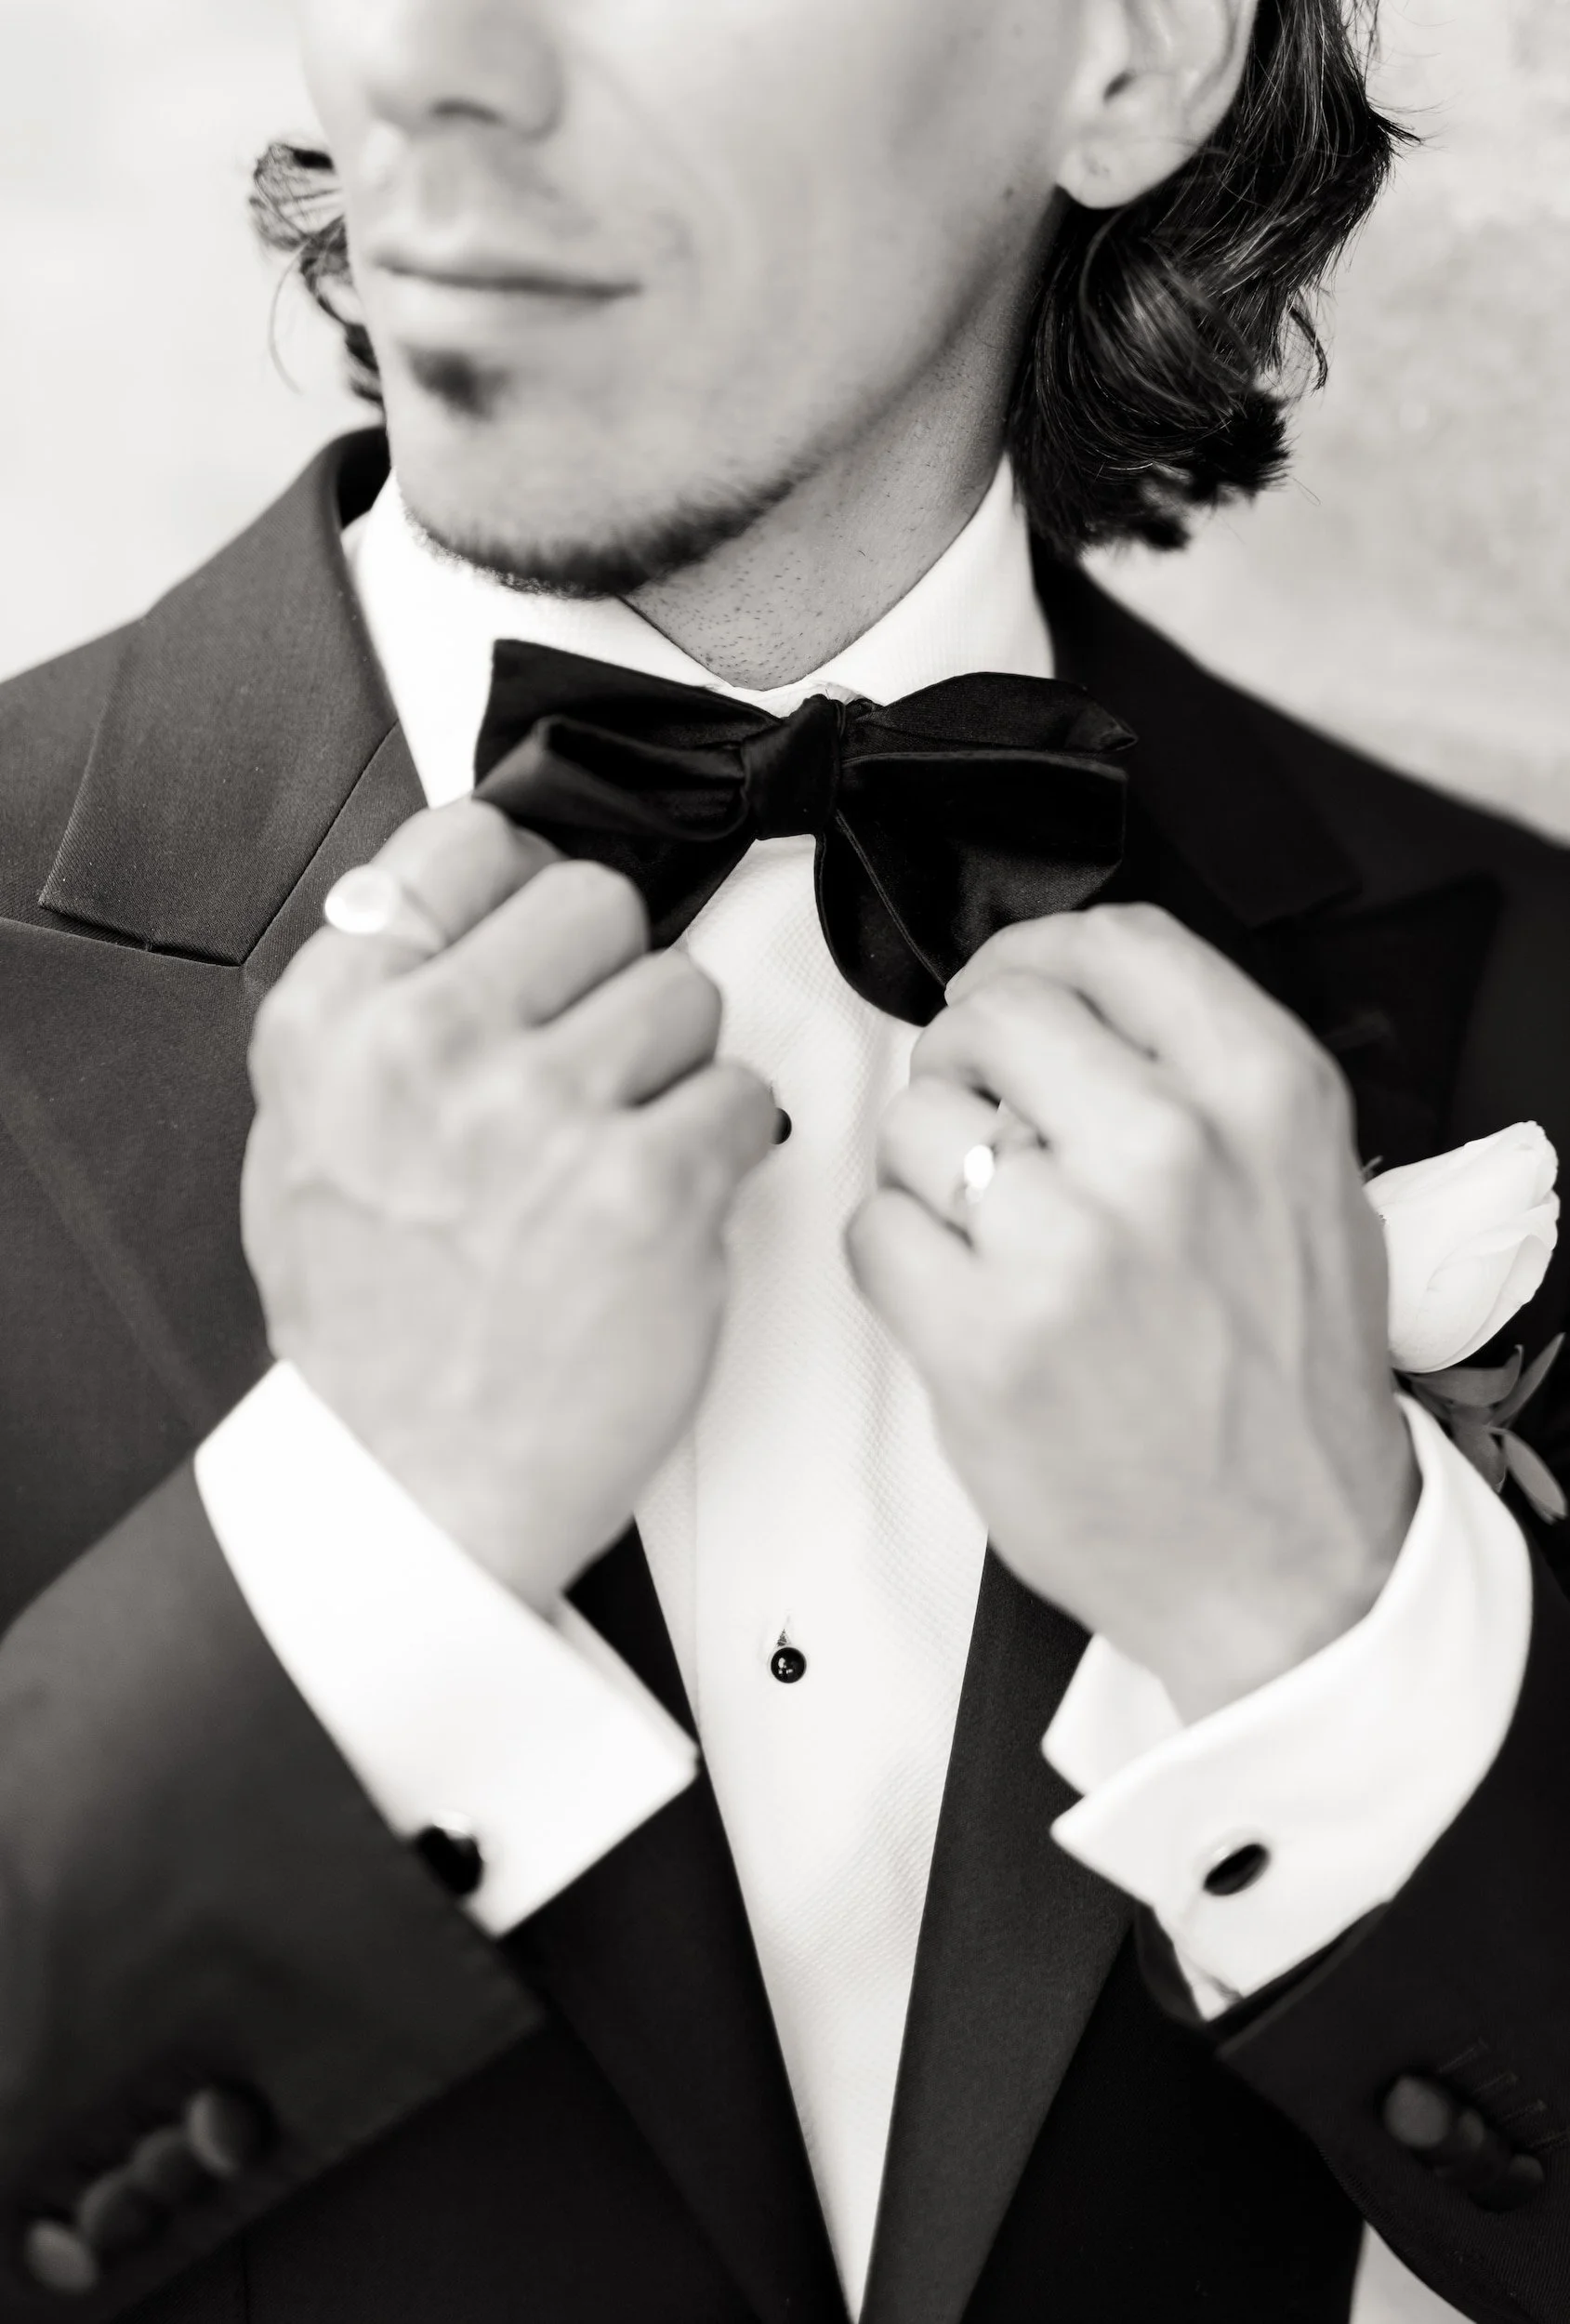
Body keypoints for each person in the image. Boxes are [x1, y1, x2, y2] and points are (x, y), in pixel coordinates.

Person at [1, 1, 1567, 2318]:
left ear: (1130, 58)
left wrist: (1326, 1631)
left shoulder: (1517, 975)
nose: (433, 59)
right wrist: (360, 1566)